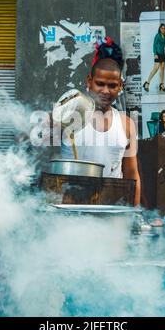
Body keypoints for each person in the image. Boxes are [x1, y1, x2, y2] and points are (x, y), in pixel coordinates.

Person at [61, 37, 141, 207]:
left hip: (111, 208)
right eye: (100, 84)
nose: (105, 91)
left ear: (120, 86)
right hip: (71, 208)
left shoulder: (126, 125)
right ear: (89, 82)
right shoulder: (69, 115)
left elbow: (132, 174)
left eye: (112, 85)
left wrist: (134, 216)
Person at [143, 23, 165, 93]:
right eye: (162, 28)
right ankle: (147, 83)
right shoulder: (157, 35)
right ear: (160, 29)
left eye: (164, 28)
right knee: (156, 68)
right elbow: (154, 45)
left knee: (162, 70)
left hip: (163, 54)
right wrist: (155, 54)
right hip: (157, 54)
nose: (163, 29)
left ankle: (161, 85)